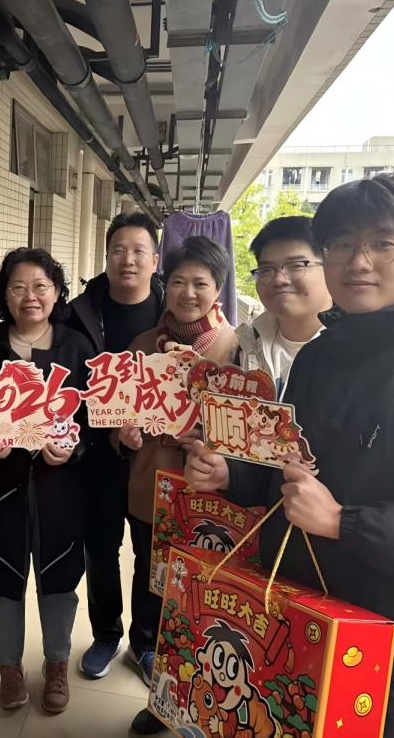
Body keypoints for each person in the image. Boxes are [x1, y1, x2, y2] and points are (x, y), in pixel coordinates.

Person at [173, 173, 394, 738]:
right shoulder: (321, 356)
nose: (359, 262)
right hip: (301, 629)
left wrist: (344, 523)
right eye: (342, 245)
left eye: (383, 243)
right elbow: (296, 467)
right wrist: (234, 473)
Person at [0, 247, 97, 714]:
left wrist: (73, 449)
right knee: (3, 575)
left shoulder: (77, 348)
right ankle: (9, 667)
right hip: (1, 485)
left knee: (59, 574)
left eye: (41, 286)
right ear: (4, 295)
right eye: (17, 287)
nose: (30, 296)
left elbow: (94, 421)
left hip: (62, 487)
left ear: (57, 291)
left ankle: (56, 663)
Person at [112, 236, 238, 706]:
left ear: (217, 289)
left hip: (209, 490)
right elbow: (117, 412)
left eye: (200, 283)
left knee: (200, 580)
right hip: (151, 479)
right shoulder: (143, 345)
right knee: (149, 567)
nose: (188, 293)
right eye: (179, 281)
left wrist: (211, 438)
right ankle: (143, 645)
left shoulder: (234, 347)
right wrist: (123, 435)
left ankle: (191, 661)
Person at [67, 212, 165, 683]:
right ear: (105, 257)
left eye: (138, 251)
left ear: (155, 260)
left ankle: (144, 643)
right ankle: (106, 635)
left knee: (149, 554)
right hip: (97, 456)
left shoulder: (173, 316)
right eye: (118, 251)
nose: (128, 260)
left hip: (153, 458)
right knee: (101, 551)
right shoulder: (79, 312)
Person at [237, 216, 333, 395]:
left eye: (296, 265)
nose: (279, 280)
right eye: (266, 270)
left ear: (330, 268)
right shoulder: (248, 344)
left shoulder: (357, 352)